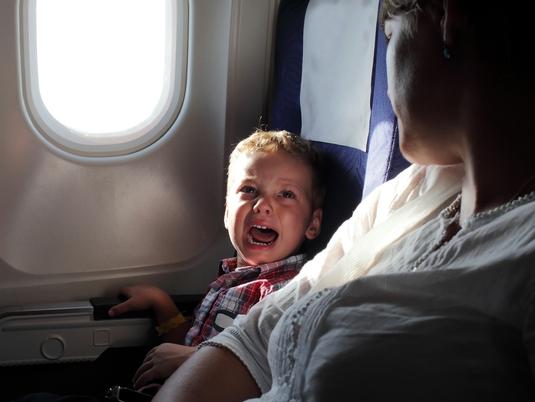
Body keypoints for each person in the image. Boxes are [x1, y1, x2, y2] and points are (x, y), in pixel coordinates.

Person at [153, 0, 535, 400]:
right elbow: (254, 338)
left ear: (448, 22)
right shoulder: (407, 191)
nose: (386, 89)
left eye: (390, 37)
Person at [107, 129, 325, 391]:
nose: (262, 205)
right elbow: (187, 344)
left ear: (313, 224)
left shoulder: (288, 292)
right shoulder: (232, 280)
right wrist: (162, 304)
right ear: (226, 212)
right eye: (249, 189)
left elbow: (275, 369)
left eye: (286, 194)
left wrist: (196, 358)